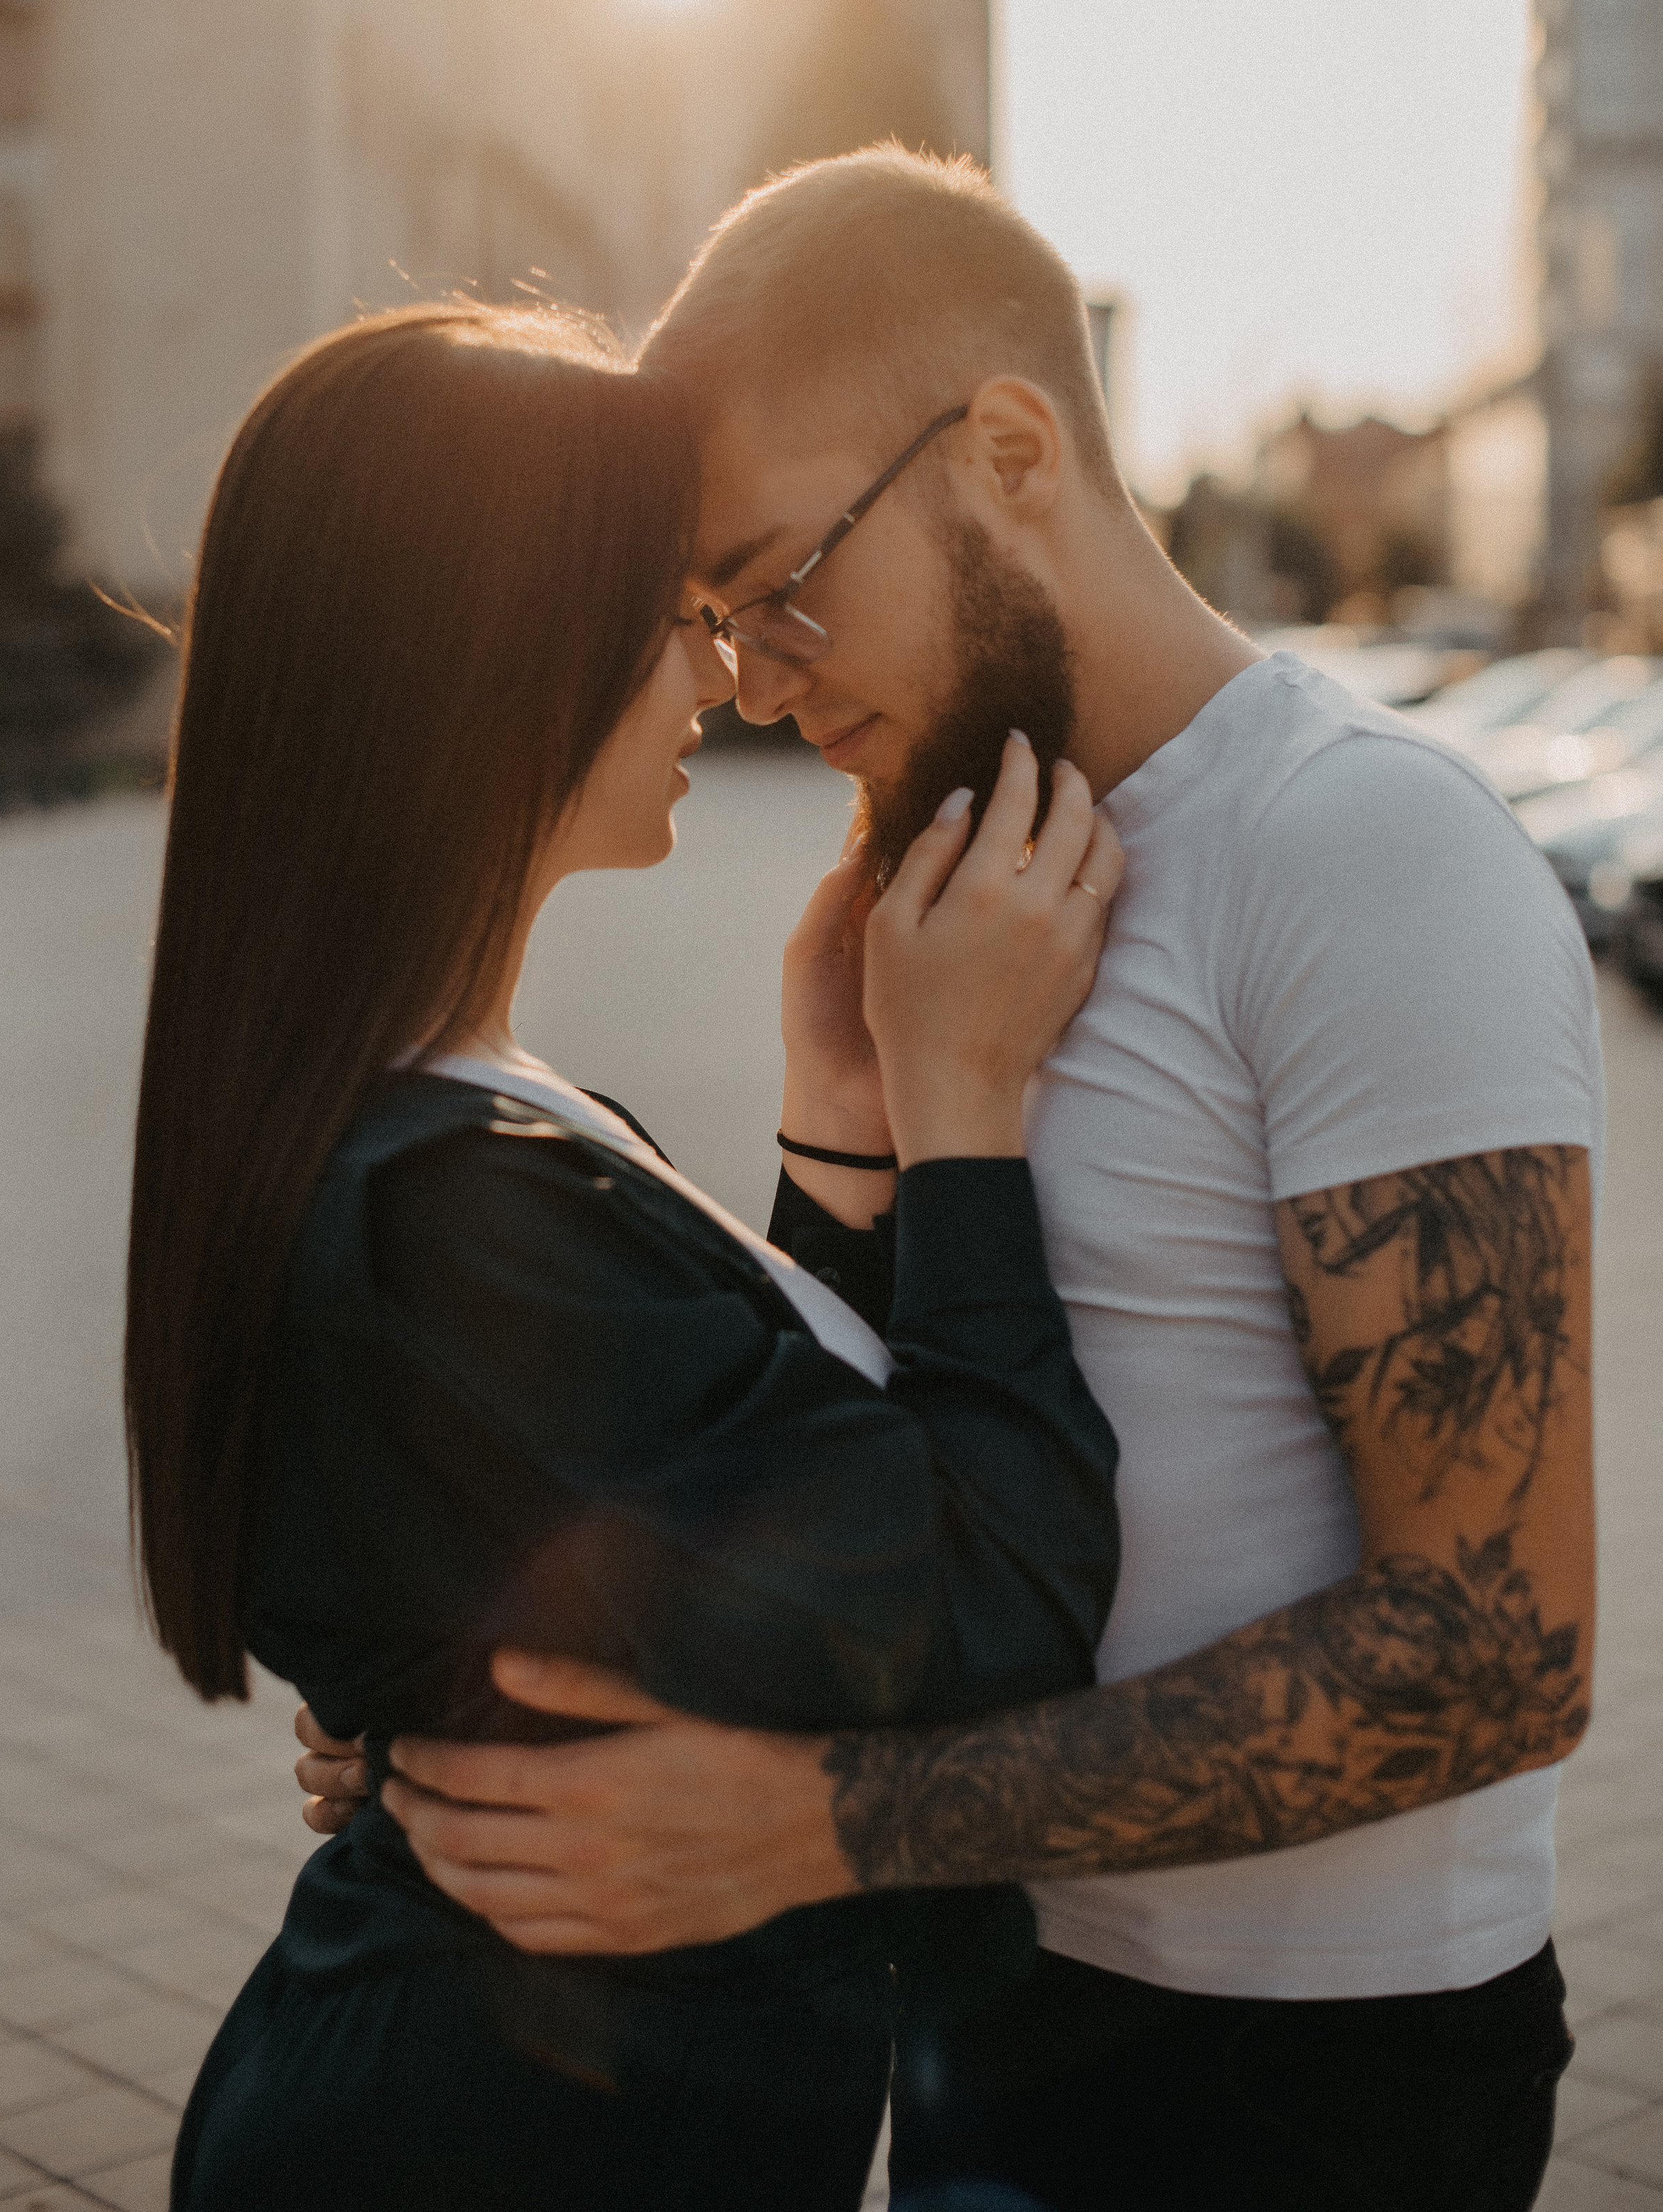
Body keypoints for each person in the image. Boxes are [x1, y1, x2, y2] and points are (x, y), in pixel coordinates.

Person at [300, 152, 1600, 2212]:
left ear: (1008, 449)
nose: (752, 677)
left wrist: (820, 1821)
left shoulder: (1370, 859)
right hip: (983, 1992)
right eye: (712, 620)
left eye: (777, 578)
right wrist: (486, 1699)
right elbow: (872, 1493)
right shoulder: (947, 888)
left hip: (1305, 2079)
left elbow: (1500, 1649)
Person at [125, 300, 1127, 2212]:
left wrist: (841, 1135)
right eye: (679, 607)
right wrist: (968, 1106)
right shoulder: (440, 1210)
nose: (729, 673)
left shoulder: (455, 1108)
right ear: (501, 650)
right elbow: (987, 1600)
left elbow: (713, 1494)